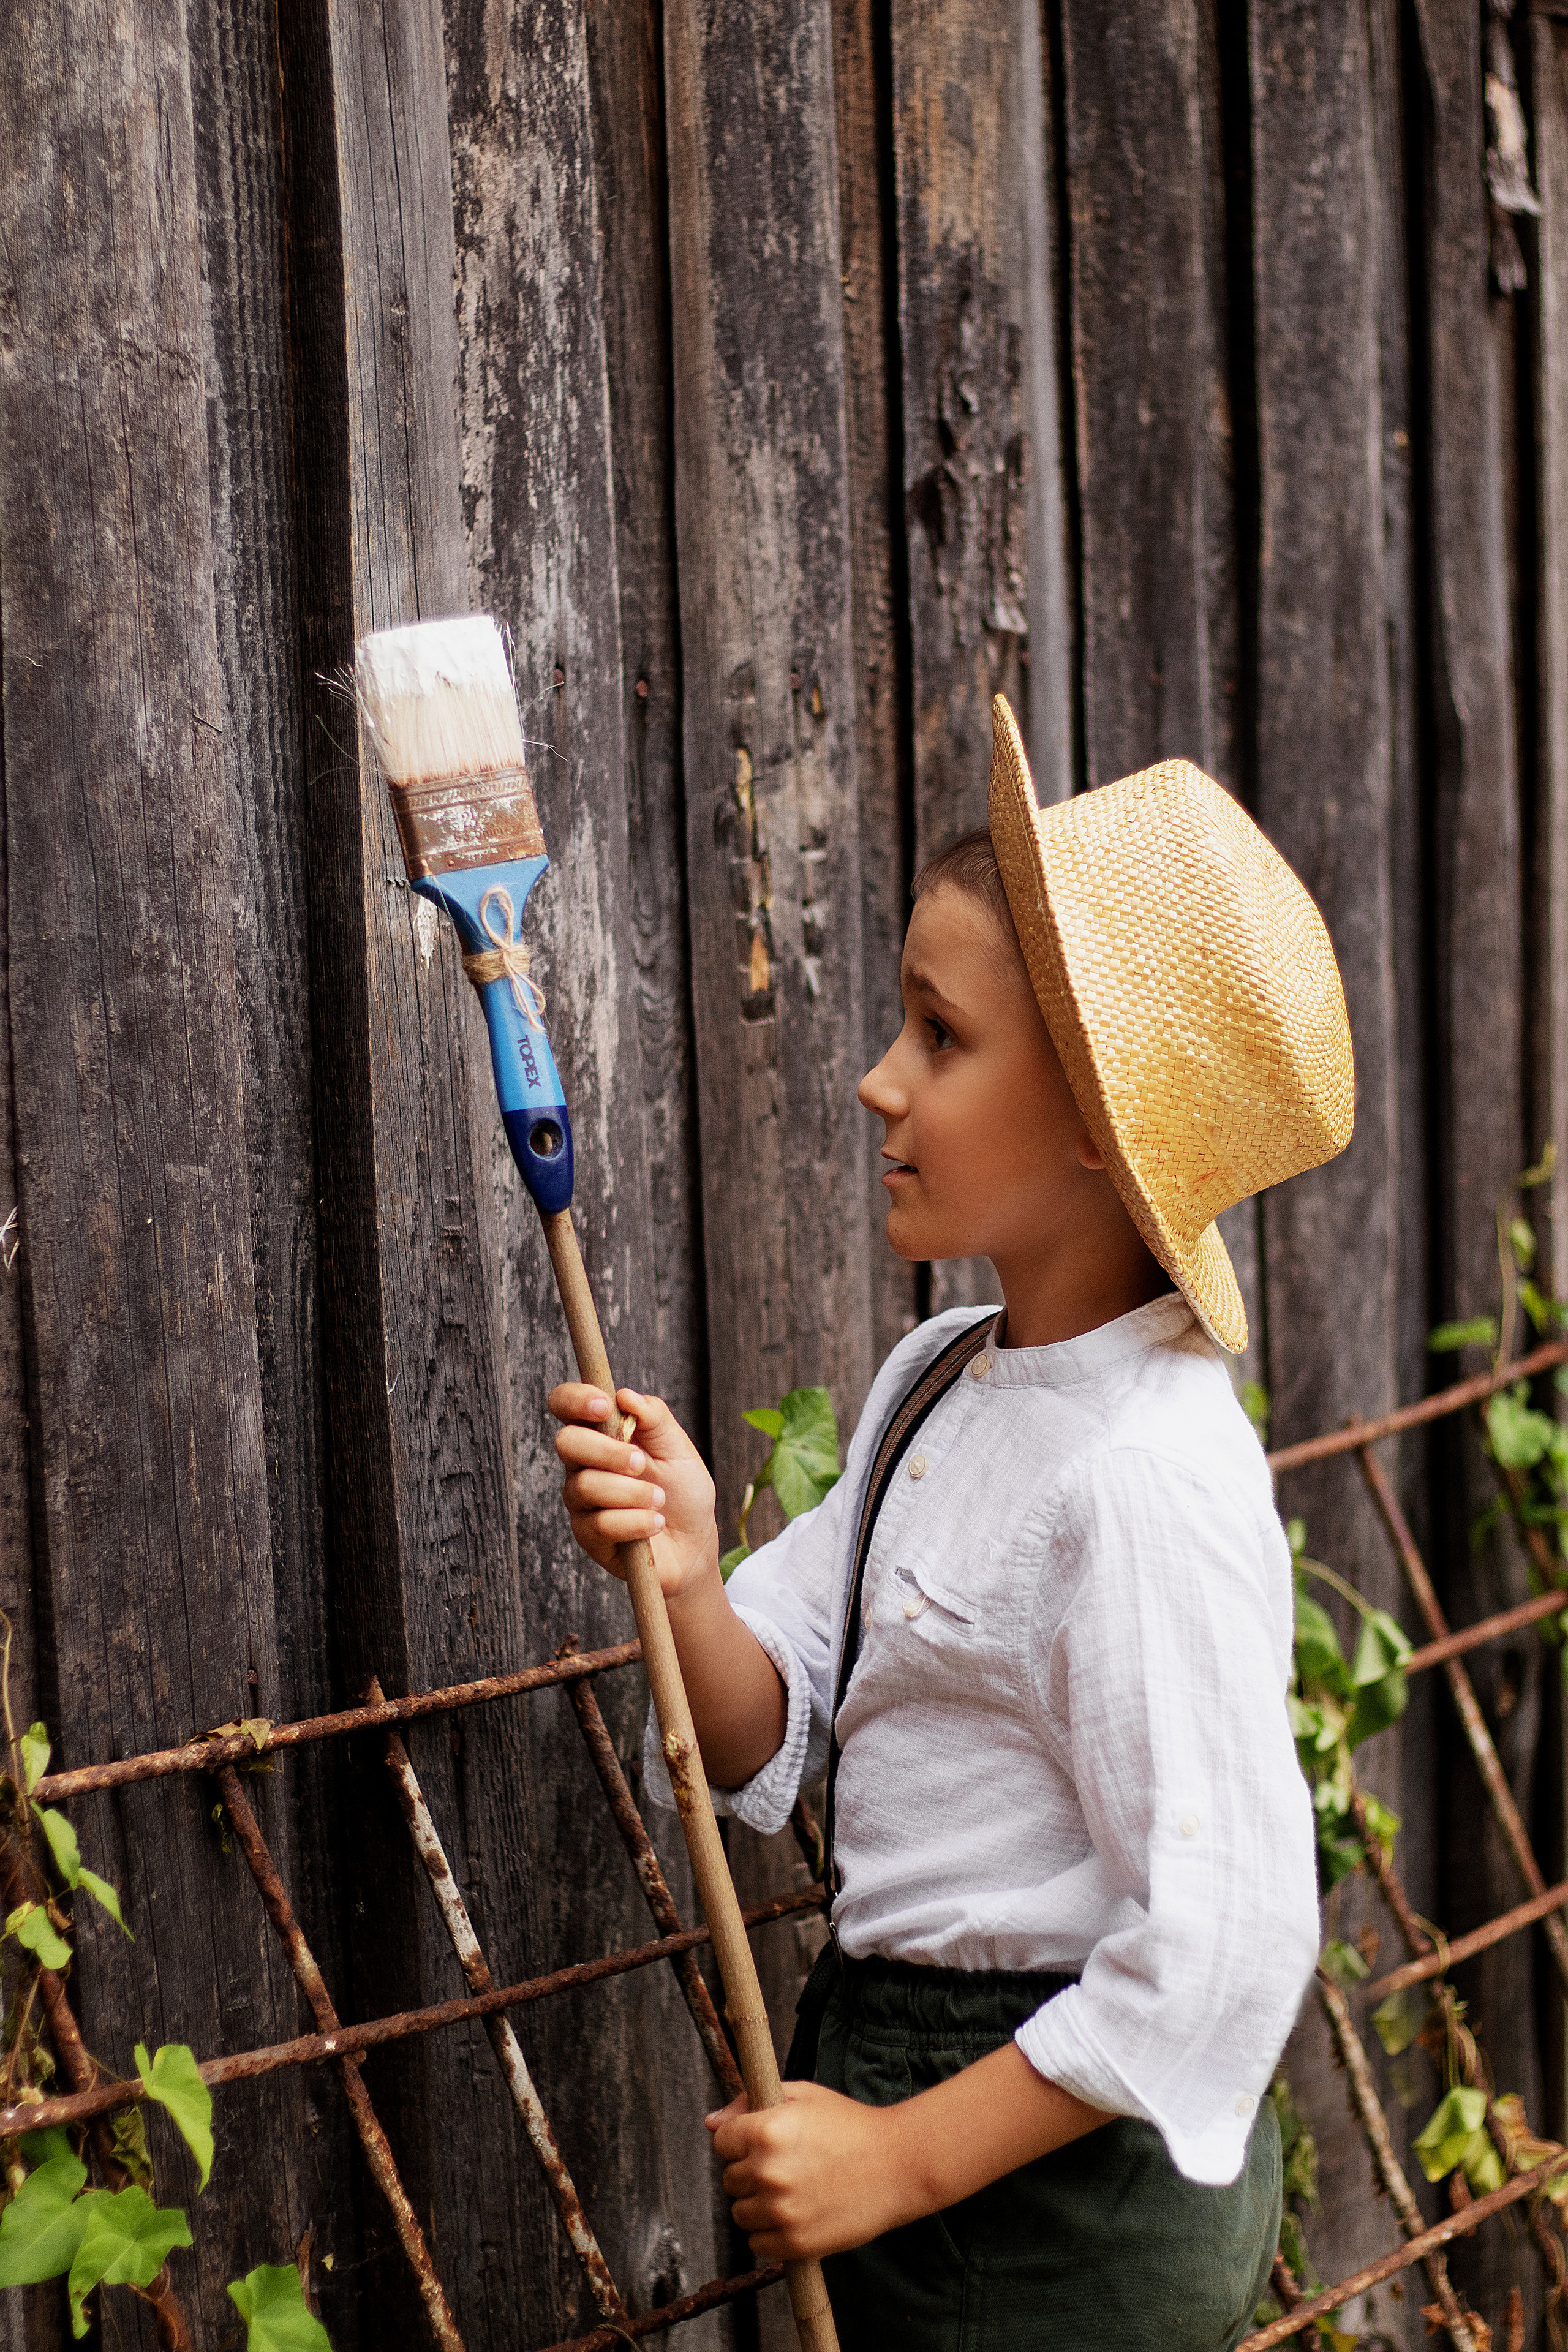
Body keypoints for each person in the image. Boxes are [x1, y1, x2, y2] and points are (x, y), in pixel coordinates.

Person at [549, 696, 1348, 2350]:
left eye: (939, 1034)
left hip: (1043, 2183)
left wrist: (900, 2159)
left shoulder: (1138, 1476)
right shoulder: (943, 1377)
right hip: (910, 2088)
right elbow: (775, 1724)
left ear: (1093, 1124)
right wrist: (690, 1579)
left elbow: (1226, 1942)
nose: (877, 1080)